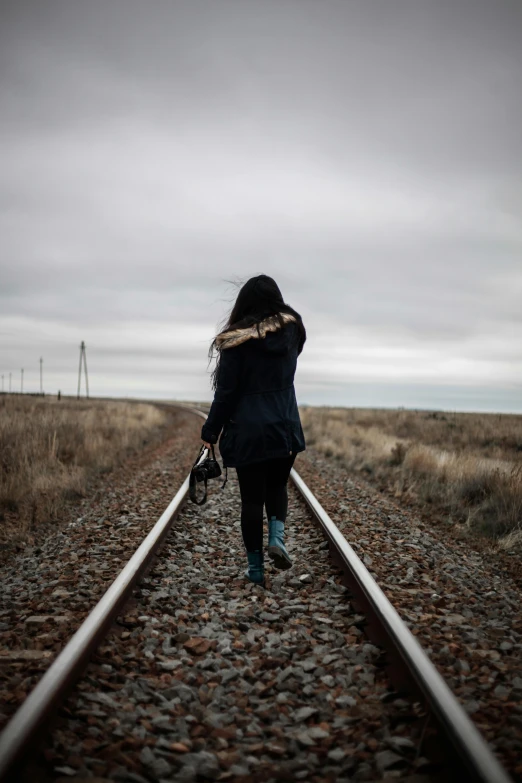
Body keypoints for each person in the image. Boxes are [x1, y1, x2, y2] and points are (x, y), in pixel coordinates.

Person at [201, 275, 307, 586]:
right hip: (284, 426)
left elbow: (226, 394)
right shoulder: (293, 332)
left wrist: (210, 431)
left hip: (247, 430)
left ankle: (256, 570)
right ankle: (278, 539)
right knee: (277, 487)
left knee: (251, 500)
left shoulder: (234, 343)